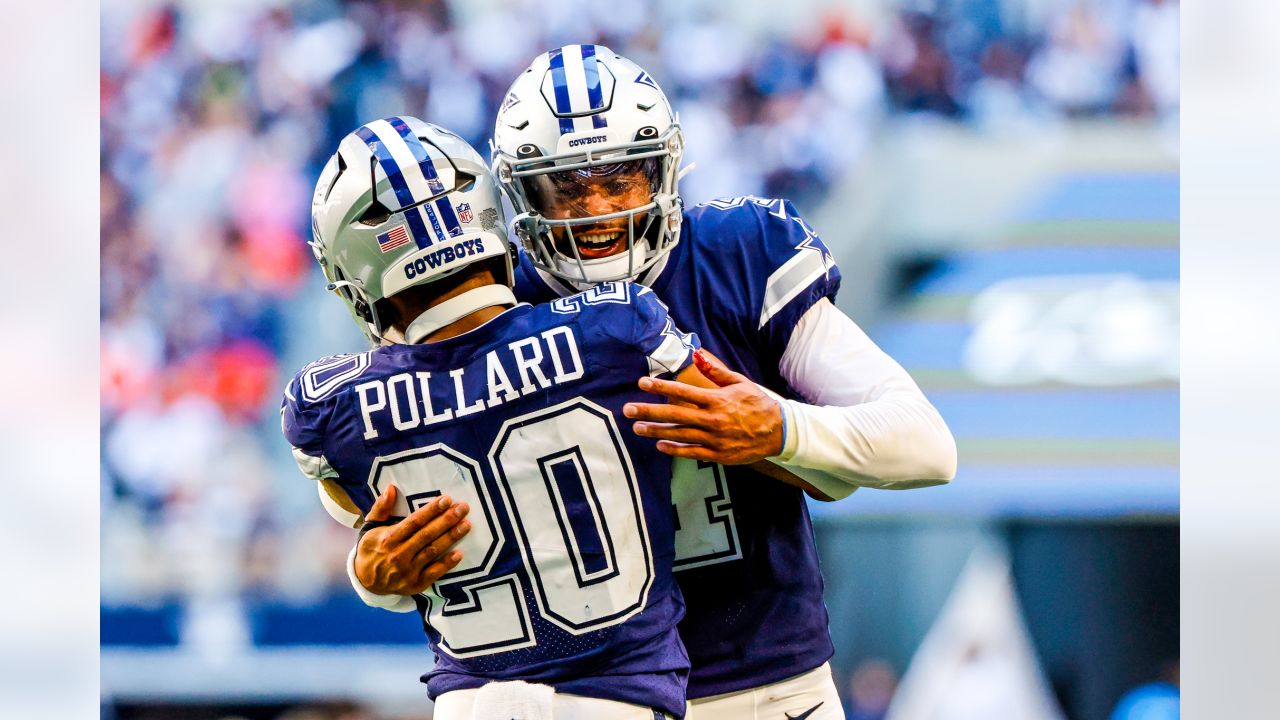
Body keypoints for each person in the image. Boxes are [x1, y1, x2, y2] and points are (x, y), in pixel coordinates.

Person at [346, 46, 958, 719]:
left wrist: (778, 428)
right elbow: (393, 526)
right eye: (567, 186)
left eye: (621, 179)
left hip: (762, 686)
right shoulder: (489, 304)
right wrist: (373, 575)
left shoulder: (736, 256)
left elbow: (927, 446)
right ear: (518, 194)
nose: (598, 210)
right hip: (585, 700)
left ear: (663, 171)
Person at [284, 116, 809, 719]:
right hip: (622, 700)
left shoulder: (327, 409)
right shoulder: (619, 326)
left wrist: (367, 571)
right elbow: (786, 455)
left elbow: (373, 541)